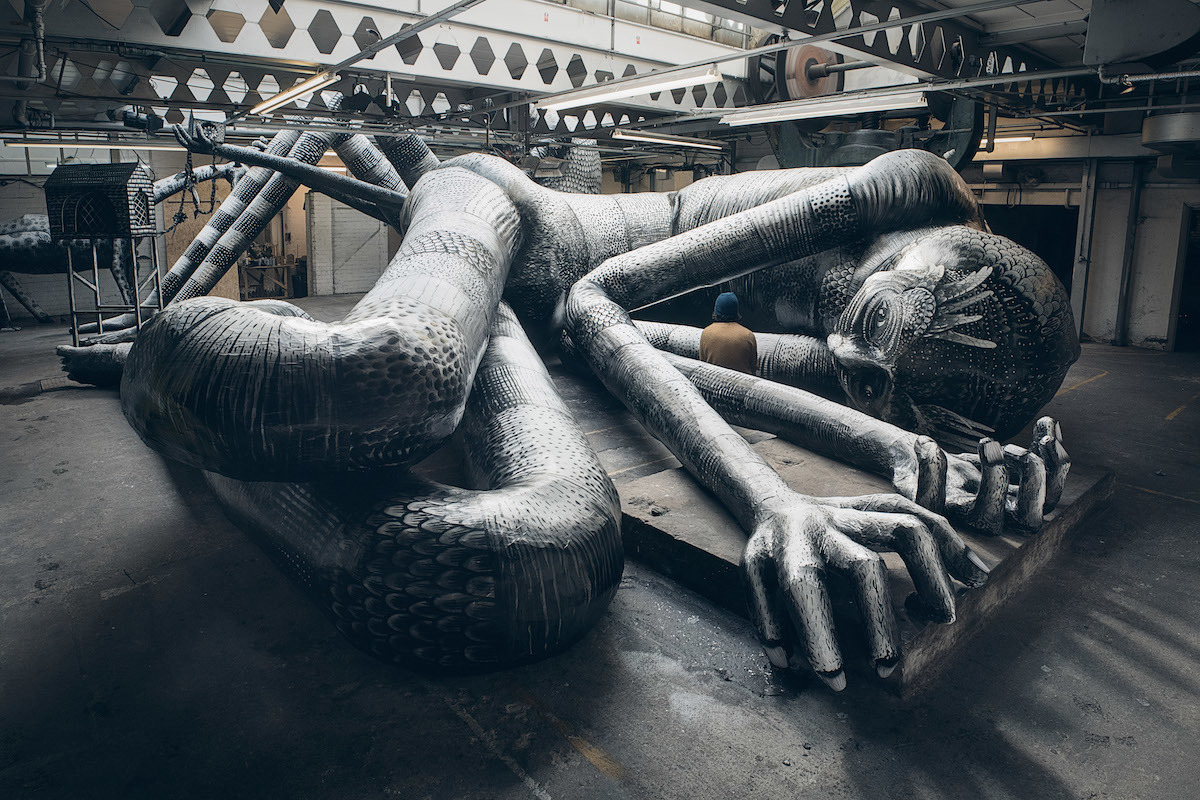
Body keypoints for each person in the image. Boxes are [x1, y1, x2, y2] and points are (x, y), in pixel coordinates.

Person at [698, 292, 757, 374]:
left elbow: (703, 364)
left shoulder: (706, 333)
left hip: (713, 383)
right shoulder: (748, 335)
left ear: (715, 311)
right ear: (736, 311)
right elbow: (753, 367)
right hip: (742, 384)